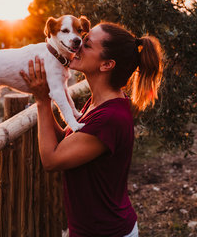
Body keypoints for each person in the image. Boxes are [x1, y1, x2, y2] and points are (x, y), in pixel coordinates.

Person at [20, 22, 163, 237]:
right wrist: (47, 93)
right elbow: (67, 142)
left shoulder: (109, 118)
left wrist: (42, 101)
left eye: (87, 44)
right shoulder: (98, 103)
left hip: (107, 231)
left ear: (106, 65)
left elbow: (51, 159)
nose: (77, 45)